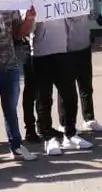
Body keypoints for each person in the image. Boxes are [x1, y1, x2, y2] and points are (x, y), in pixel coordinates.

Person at [0, 7, 38, 168]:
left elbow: (18, 34)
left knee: (11, 108)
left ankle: (16, 146)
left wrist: (28, 19)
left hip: (10, 64)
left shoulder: (10, 3)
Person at [30, 15, 93, 156]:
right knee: (44, 98)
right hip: (41, 54)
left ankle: (70, 134)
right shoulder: (31, 1)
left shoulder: (64, 0)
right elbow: (26, 29)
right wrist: (30, 18)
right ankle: (48, 137)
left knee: (70, 96)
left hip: (64, 51)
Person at [68, 0, 101, 132]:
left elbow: (94, 15)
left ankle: (89, 118)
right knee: (67, 90)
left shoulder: (83, 0)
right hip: (66, 49)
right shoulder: (61, 0)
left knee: (86, 86)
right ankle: (68, 123)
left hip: (84, 47)